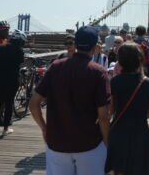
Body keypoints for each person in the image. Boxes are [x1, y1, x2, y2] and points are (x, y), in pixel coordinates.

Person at [29, 26, 110, 175]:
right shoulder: (99, 72)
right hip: (88, 144)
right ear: (95, 47)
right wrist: (106, 142)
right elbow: (103, 117)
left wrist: (45, 129)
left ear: (76, 44)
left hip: (57, 142)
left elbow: (34, 104)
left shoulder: (55, 67)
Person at [105, 43, 149, 175]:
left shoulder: (114, 82)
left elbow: (110, 112)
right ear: (140, 59)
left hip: (118, 134)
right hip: (141, 135)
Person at [0, 29, 27, 135]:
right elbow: (20, 61)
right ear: (21, 42)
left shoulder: (0, 47)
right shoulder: (19, 51)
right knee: (9, 103)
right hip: (12, 79)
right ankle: (5, 129)